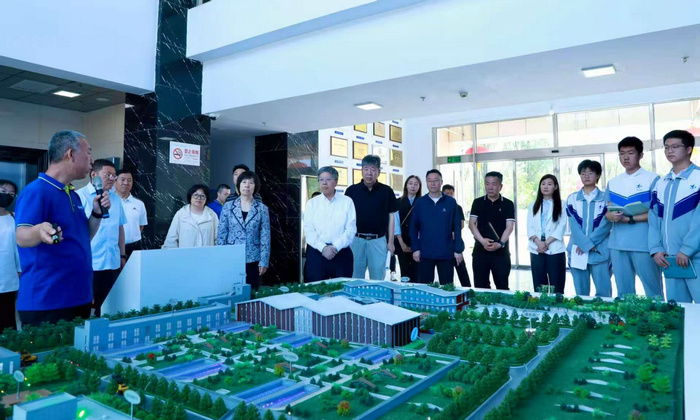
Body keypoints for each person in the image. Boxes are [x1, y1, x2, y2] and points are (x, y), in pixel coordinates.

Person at [15, 130, 110, 326]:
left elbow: (83, 237)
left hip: (78, 296)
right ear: (70, 154)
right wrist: (39, 231)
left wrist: (96, 214)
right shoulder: (37, 191)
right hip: (48, 300)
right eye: (88, 153)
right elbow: (22, 236)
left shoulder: (72, 194)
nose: (92, 160)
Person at [605, 137, 663, 298]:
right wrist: (611, 216)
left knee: (653, 292)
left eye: (631, 153)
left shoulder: (653, 179)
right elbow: (606, 212)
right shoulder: (613, 182)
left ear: (641, 155)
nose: (626, 157)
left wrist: (630, 219)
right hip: (618, 245)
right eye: (622, 153)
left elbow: (658, 213)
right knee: (624, 293)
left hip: (644, 244)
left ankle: (657, 315)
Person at [649, 129, 700, 303]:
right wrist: (656, 249)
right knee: (676, 309)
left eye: (675, 146)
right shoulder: (661, 183)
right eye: (666, 147)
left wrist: (687, 249)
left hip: (695, 257)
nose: (669, 150)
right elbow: (653, 220)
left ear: (689, 149)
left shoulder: (698, 178)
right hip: (669, 259)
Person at [77, 159, 127, 317]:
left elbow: (120, 227)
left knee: (107, 308)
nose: (112, 179)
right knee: (82, 308)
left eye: (114, 175)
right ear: (94, 175)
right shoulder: (79, 196)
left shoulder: (115, 198)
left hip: (111, 262)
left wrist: (122, 255)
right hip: (89, 263)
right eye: (108, 175)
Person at [344, 155, 397, 280]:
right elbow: (346, 218)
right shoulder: (351, 191)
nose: (369, 173)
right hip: (356, 240)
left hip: (378, 240)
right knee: (355, 277)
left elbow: (391, 217)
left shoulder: (387, 191)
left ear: (379, 171)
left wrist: (390, 242)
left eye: (373, 169)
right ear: (361, 170)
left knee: (378, 278)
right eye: (366, 169)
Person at [217, 171, 271, 290]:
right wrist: (221, 257)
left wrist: (264, 261)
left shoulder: (262, 209)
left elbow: (265, 236)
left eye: (251, 182)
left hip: (253, 258)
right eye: (244, 182)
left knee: (252, 291)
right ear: (239, 185)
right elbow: (222, 234)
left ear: (255, 186)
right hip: (232, 257)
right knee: (231, 291)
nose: (247, 185)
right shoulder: (228, 207)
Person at [566, 160, 612, 297]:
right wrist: (585, 245)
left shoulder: (606, 198)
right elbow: (573, 225)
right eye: (583, 173)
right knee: (581, 293)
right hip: (577, 250)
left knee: (604, 292)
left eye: (590, 173)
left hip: (599, 250)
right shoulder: (572, 199)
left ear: (598, 175)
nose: (586, 176)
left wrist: (589, 243)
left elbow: (606, 224)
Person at [410, 170, 464, 285]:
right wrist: (415, 248)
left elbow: (457, 227)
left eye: (435, 180)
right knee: (425, 287)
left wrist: (458, 250)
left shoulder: (451, 202)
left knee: (447, 287)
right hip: (425, 252)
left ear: (441, 182)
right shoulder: (420, 202)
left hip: (446, 252)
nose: (432, 183)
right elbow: (413, 227)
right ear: (426, 182)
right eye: (429, 181)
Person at [303, 167, 356, 282]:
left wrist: (335, 247)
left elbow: (350, 230)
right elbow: (309, 230)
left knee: (341, 289)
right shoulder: (312, 203)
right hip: (317, 253)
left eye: (328, 179)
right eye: (321, 180)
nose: (324, 183)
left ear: (336, 181)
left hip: (341, 252)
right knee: (315, 289)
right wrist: (323, 248)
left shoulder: (347, 202)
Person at [469, 172, 515, 290]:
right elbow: (472, 224)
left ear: (500, 186)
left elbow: (509, 227)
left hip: (501, 253)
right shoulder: (478, 202)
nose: (490, 187)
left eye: (494, 184)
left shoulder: (508, 204)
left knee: (502, 287)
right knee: (480, 287)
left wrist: (500, 243)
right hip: (480, 251)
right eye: (487, 184)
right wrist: (482, 241)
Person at [526, 174, 567, 294]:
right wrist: (539, 243)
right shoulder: (533, 204)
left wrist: (546, 243)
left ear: (555, 187)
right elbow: (529, 226)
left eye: (549, 184)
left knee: (557, 285)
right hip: (536, 249)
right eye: (543, 184)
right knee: (539, 286)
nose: (545, 187)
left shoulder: (562, 204)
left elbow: (561, 226)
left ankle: (557, 305)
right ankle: (542, 305)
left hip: (555, 249)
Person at [163, 184, 219, 249]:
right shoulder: (181, 214)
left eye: (202, 196)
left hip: (206, 254)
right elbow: (171, 239)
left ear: (206, 199)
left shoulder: (212, 215)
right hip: (185, 254)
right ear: (190, 197)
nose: (199, 198)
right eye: (196, 195)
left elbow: (217, 239)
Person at [0, 180, 20, 332]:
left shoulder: (14, 218)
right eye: (3, 191)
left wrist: (20, 271)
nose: (7, 195)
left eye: (11, 194)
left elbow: (18, 249)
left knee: (6, 324)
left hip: (8, 278)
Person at [115, 169, 148, 259]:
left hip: (134, 247)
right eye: (122, 180)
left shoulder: (139, 204)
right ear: (115, 181)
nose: (126, 183)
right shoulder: (109, 202)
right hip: (113, 247)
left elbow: (141, 226)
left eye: (129, 180)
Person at [394, 176, 422, 283]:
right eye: (410, 183)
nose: (413, 186)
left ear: (419, 187)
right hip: (402, 240)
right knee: (404, 271)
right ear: (406, 185)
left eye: (416, 184)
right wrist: (401, 243)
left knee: (417, 272)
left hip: (418, 242)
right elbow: (396, 223)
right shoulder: (398, 202)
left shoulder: (422, 202)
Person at [442, 184, 471, 287]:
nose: (449, 195)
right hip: (444, 243)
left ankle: (467, 288)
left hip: (455, 242)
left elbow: (461, 224)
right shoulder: (440, 206)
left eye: (451, 193)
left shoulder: (457, 207)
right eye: (447, 193)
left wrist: (454, 232)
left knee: (461, 267)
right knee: (446, 271)